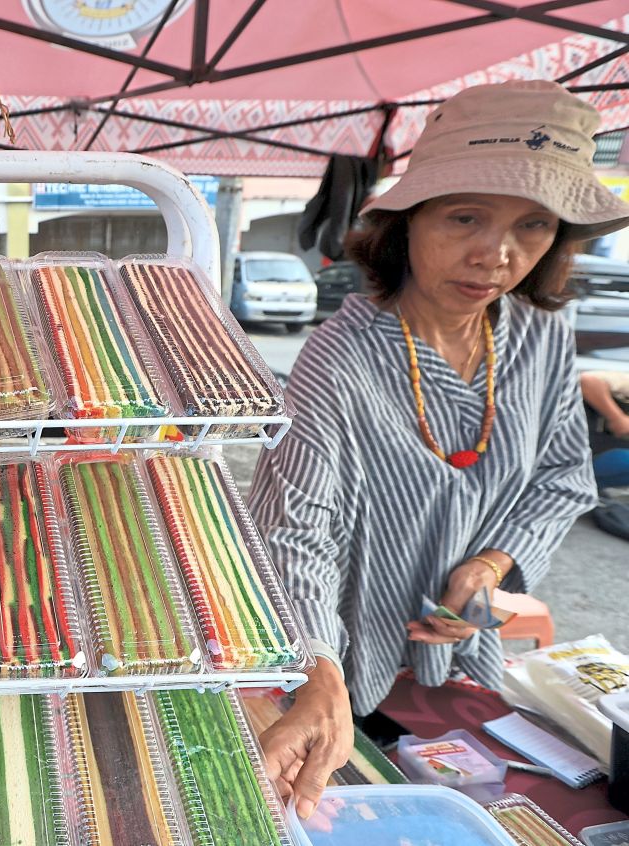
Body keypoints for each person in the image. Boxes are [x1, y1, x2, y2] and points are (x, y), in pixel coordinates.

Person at [247, 79, 628, 821]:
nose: (496, 254)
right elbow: (295, 531)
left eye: (534, 225)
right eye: (465, 217)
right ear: (408, 221)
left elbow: (561, 478)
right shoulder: (340, 356)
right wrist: (319, 669)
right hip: (336, 653)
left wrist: (487, 568)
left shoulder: (542, 336)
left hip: (458, 650)